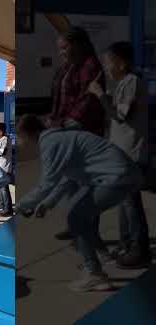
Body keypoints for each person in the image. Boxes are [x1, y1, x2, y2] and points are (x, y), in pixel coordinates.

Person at [16, 115, 143, 292]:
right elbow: (66, 179)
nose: (20, 143)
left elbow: (47, 184)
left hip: (115, 177)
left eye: (19, 138)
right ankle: (102, 257)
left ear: (27, 134)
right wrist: (47, 203)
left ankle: (95, 274)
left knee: (76, 217)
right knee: (79, 214)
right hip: (116, 175)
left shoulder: (50, 143)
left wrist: (20, 206)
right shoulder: (58, 139)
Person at [88, 42, 151, 269]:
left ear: (122, 63)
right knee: (125, 204)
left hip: (132, 154)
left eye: (109, 62)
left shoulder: (132, 82)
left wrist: (100, 95)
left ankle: (139, 249)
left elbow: (121, 115)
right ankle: (126, 244)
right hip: (122, 154)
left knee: (131, 205)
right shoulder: (124, 83)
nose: (106, 67)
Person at [47, 27, 107, 242]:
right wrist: (52, 120)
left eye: (65, 48)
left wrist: (65, 126)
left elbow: (87, 102)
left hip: (83, 136)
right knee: (70, 185)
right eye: (60, 49)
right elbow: (58, 99)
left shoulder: (91, 66)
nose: (62, 52)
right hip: (65, 134)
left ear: (79, 44)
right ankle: (75, 226)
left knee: (86, 189)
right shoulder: (66, 68)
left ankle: (91, 236)